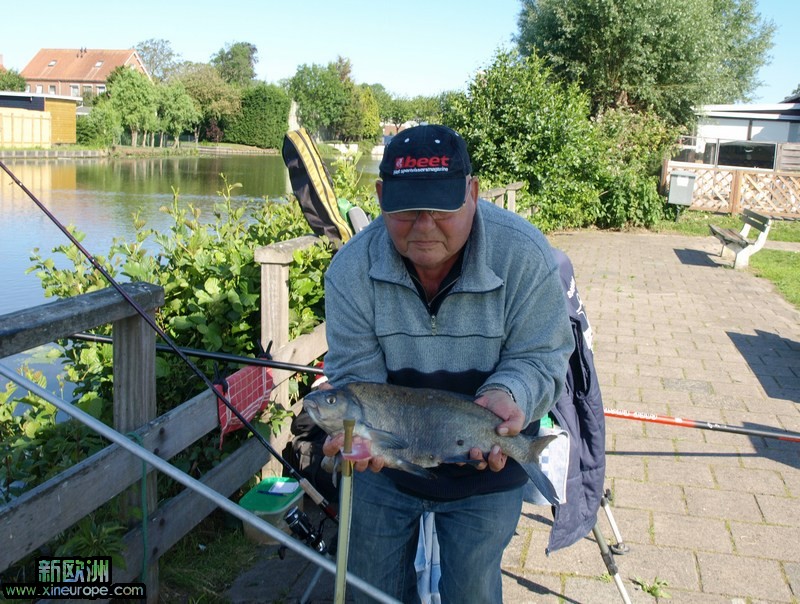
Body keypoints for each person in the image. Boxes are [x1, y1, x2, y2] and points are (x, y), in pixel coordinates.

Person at [320, 124, 573, 603]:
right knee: (368, 590)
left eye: (441, 206)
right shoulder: (351, 268)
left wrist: (511, 397)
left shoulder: (524, 254)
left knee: (473, 592)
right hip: (385, 469)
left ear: (473, 193)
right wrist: (369, 441)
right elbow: (357, 380)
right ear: (379, 196)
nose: (424, 225)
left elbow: (543, 357)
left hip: (488, 464)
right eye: (406, 209)